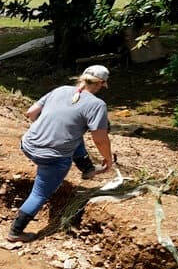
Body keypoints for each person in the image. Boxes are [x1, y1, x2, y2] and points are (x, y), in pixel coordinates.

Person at [7, 66, 114, 242]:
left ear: (81, 78)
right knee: (39, 194)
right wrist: (108, 159)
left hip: (28, 144)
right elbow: (100, 139)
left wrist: (47, 129)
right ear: (102, 84)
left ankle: (87, 168)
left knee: (74, 133)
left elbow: (31, 113)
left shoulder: (61, 90)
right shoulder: (97, 105)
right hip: (52, 158)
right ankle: (16, 231)